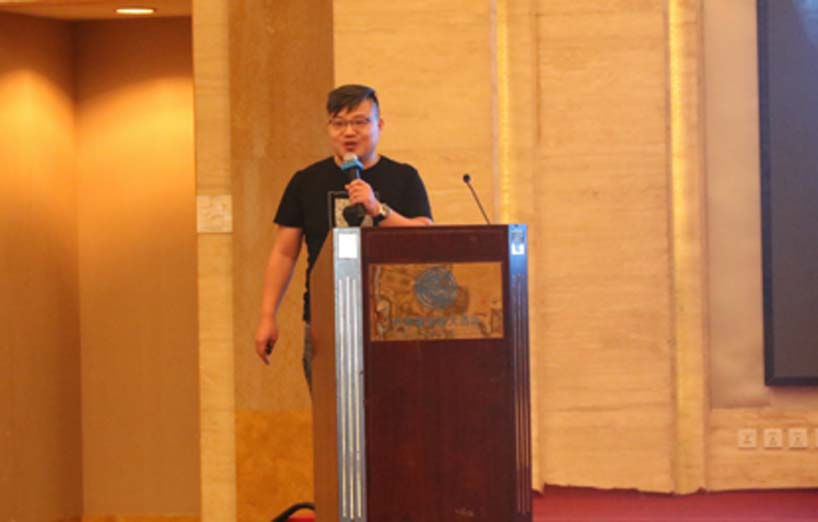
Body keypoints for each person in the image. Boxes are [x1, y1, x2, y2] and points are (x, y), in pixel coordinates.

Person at [253, 84, 433, 386]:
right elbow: (284, 253)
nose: (349, 132)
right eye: (339, 123)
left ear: (379, 125)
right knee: (331, 410)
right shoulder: (306, 181)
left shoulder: (404, 177)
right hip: (327, 318)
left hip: (396, 319)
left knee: (395, 407)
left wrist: (378, 210)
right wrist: (267, 315)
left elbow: (426, 236)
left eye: (360, 122)